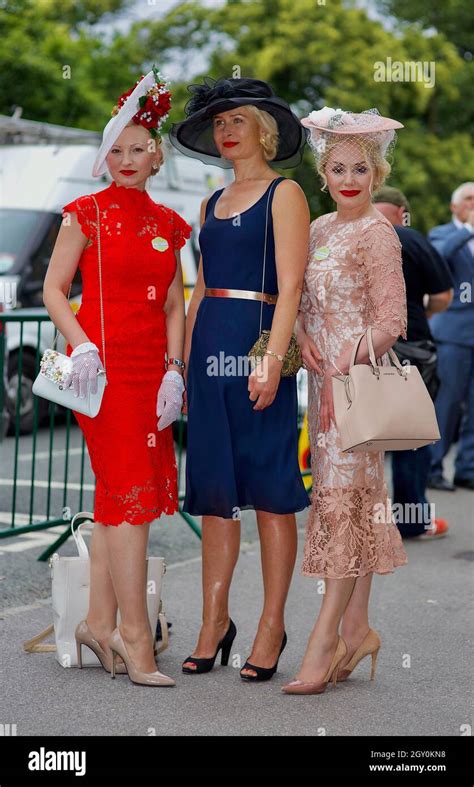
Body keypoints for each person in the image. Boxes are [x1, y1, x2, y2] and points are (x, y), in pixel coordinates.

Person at [43, 68, 192, 687]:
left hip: (149, 376)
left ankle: (97, 624)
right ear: (104, 158)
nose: (126, 159)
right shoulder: (85, 213)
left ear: (155, 157)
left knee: (121, 504)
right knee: (129, 504)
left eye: (138, 149)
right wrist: (81, 348)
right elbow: (53, 289)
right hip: (100, 377)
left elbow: (173, 304)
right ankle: (135, 638)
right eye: (116, 150)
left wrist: (175, 372)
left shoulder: (169, 223)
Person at [169, 76, 311, 681]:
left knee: (273, 497)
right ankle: (213, 622)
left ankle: (272, 627)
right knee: (216, 501)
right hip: (209, 352)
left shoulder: (286, 194)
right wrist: (180, 368)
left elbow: (292, 285)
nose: (227, 132)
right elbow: (199, 288)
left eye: (237, 122)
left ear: (264, 130)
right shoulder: (207, 203)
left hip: (257, 350)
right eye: (219, 124)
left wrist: (273, 361)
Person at [282, 107, 408, 695]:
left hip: (357, 383)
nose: (349, 178)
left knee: (340, 502)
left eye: (361, 167)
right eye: (338, 168)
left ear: (377, 172)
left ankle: (325, 638)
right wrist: (305, 341)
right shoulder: (319, 229)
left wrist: (341, 362)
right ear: (324, 175)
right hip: (321, 382)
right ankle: (358, 630)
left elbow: (392, 319)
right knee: (350, 502)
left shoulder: (378, 234)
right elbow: (303, 302)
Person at [373, 185, 454, 539]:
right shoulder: (411, 238)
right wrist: (421, 313)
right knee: (411, 437)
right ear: (402, 211)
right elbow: (442, 295)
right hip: (410, 347)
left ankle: (361, 519)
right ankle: (410, 519)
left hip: (357, 347)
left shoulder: (346, 236)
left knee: (362, 433)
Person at [427, 183, 474, 491]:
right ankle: (432, 466)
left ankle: (467, 468)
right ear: (454, 207)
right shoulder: (443, 234)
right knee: (447, 403)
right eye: (469, 199)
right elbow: (439, 256)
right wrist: (467, 229)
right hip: (454, 335)